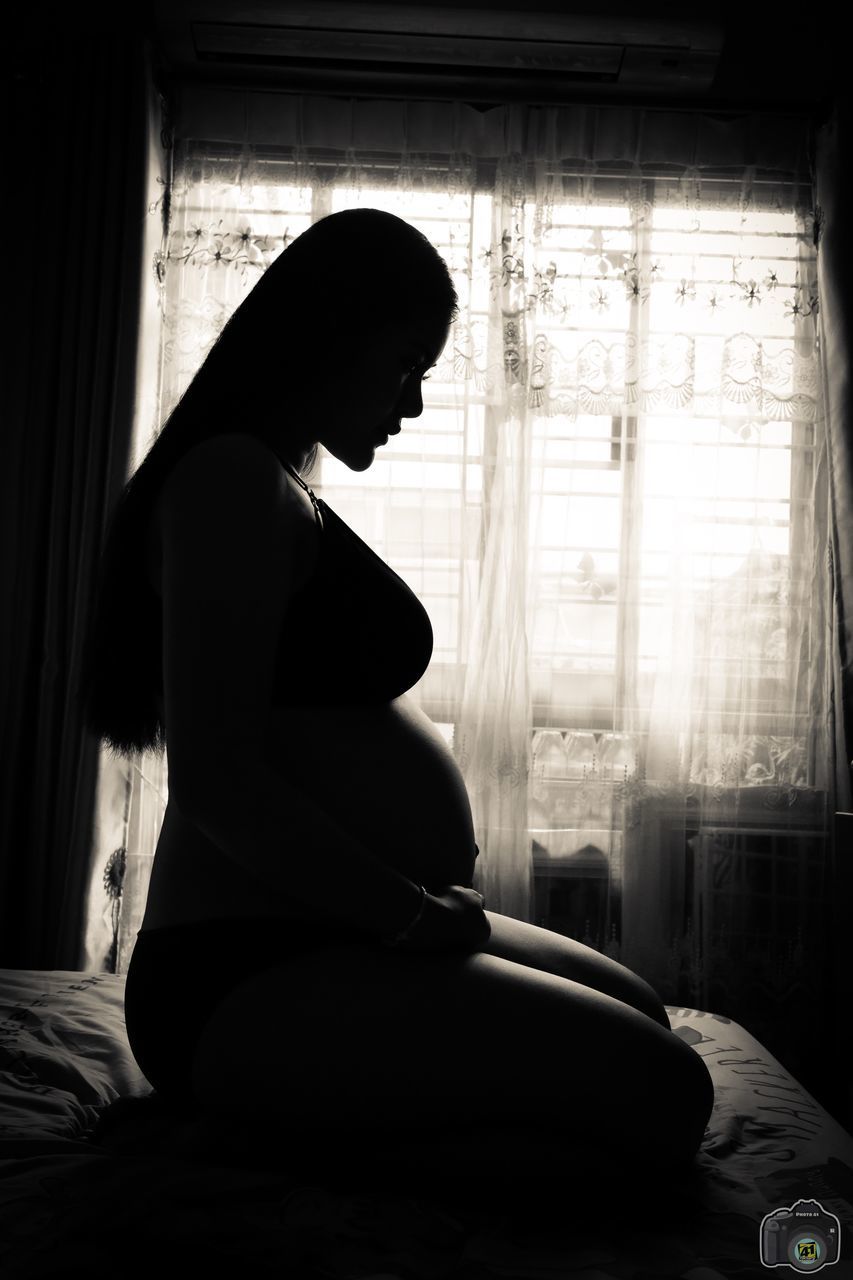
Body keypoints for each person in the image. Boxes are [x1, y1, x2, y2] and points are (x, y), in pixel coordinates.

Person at [81, 208, 713, 1204]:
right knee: (666, 1098)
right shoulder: (228, 481)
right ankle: (261, 1139)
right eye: (407, 363)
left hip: (330, 926)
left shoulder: (272, 479)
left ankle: (299, 1120)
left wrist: (400, 907)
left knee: (642, 1009)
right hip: (241, 963)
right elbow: (219, 780)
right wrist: (406, 912)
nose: (412, 401)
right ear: (332, 329)